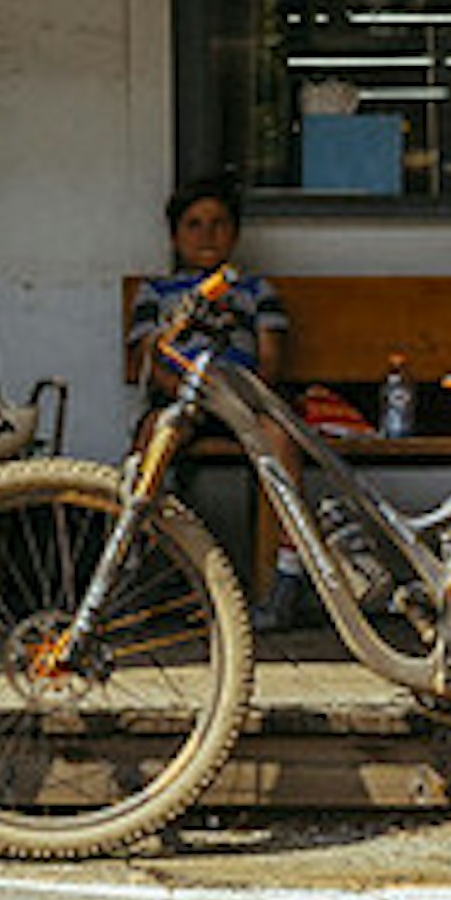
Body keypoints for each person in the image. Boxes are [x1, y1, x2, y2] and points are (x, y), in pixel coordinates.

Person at [124, 172, 316, 630]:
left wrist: (240, 394)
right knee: (154, 438)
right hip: (183, 398)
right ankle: (138, 564)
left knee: (281, 441)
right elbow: (145, 358)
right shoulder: (157, 292)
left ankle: (288, 578)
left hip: (243, 398)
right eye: (194, 224)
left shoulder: (255, 290)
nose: (207, 234)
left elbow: (270, 359)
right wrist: (188, 392)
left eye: (218, 223)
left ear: (235, 233)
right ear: (174, 236)